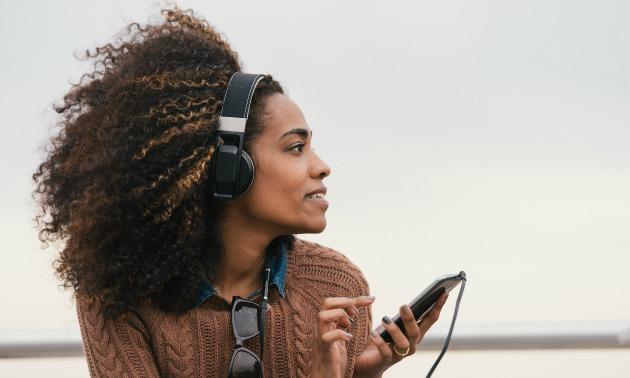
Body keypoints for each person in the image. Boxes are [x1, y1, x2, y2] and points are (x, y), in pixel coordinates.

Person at [32, 6, 448, 377]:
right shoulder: (119, 296)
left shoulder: (336, 285)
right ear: (230, 166)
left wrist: (361, 376)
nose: (321, 166)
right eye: (295, 148)